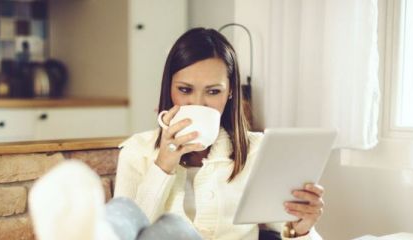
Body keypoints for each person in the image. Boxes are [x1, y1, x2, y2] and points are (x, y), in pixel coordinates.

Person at [113, 28, 325, 240]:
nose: (198, 103)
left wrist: (303, 229)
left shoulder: (257, 151)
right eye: (185, 90)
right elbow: (126, 234)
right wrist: (163, 165)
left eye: (213, 91)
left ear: (231, 91)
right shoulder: (137, 151)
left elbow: (288, 229)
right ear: (169, 88)